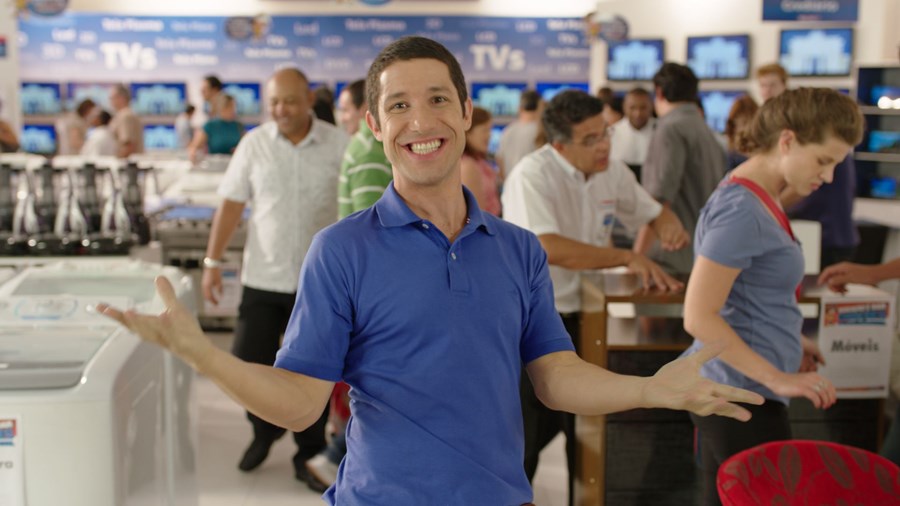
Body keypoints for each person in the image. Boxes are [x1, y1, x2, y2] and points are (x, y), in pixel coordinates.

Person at [97, 36, 763, 506]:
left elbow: (555, 377)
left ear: (467, 112)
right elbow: (301, 403)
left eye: (440, 100)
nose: (422, 120)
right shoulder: (341, 251)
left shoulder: (519, 249)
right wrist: (202, 355)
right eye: (398, 106)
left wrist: (650, 390)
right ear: (374, 126)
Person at [502, 89, 688, 506]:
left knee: (586, 437)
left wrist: (667, 222)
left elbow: (650, 210)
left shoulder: (612, 171)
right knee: (523, 439)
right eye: (590, 140)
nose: (603, 145)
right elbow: (548, 246)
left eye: (605, 133)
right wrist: (626, 256)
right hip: (532, 324)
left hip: (586, 319)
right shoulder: (532, 175)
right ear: (559, 145)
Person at [682, 87, 863, 505]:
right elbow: (699, 316)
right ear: (787, 140)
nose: (828, 177)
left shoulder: (760, 198)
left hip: (740, 390)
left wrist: (789, 338)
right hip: (741, 393)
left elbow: (746, 295)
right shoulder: (742, 210)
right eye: (823, 161)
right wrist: (778, 377)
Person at [198, 67, 349, 491]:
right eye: (274, 103)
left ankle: (308, 452)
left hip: (318, 283)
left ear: (309, 100)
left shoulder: (340, 145)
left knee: (312, 374)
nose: (282, 110)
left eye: (290, 101)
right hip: (262, 277)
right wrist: (212, 262)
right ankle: (263, 431)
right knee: (248, 361)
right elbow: (231, 205)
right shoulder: (254, 144)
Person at [755, 63, 861, 270]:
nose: (767, 92)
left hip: (827, 236)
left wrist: (762, 210)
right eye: (763, 86)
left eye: (772, 85)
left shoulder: (812, 134)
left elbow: (797, 188)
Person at [635, 62, 727, 275]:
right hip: (703, 249)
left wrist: (637, 256)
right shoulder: (706, 131)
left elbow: (659, 199)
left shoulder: (670, 129)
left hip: (670, 254)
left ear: (659, 92)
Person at [460, 106, 500, 216]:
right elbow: (477, 215)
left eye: (490, 130)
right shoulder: (468, 166)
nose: (490, 135)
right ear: (468, 133)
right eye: (484, 130)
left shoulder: (478, 160)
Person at [496, 89, 543, 179]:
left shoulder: (508, 130)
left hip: (510, 184)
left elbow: (500, 160)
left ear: (520, 107)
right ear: (540, 106)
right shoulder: (541, 132)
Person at [609, 87, 656, 173]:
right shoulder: (612, 133)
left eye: (643, 108)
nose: (638, 113)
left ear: (651, 106)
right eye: (632, 108)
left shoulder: (662, 131)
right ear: (624, 107)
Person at [187, 95, 243, 162]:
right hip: (215, 163)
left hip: (234, 162)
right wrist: (193, 154)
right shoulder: (210, 126)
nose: (233, 110)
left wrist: (239, 150)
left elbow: (246, 145)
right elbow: (194, 147)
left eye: (234, 107)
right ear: (221, 107)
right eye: (230, 107)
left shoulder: (238, 126)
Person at [108, 83, 144, 158]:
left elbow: (128, 145)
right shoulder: (126, 114)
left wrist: (116, 161)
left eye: (112, 98)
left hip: (127, 162)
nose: (110, 101)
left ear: (121, 98)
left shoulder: (125, 116)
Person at [724, 95, 759, 170]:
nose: (740, 129)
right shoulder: (729, 154)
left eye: (745, 123)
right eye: (735, 124)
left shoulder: (761, 154)